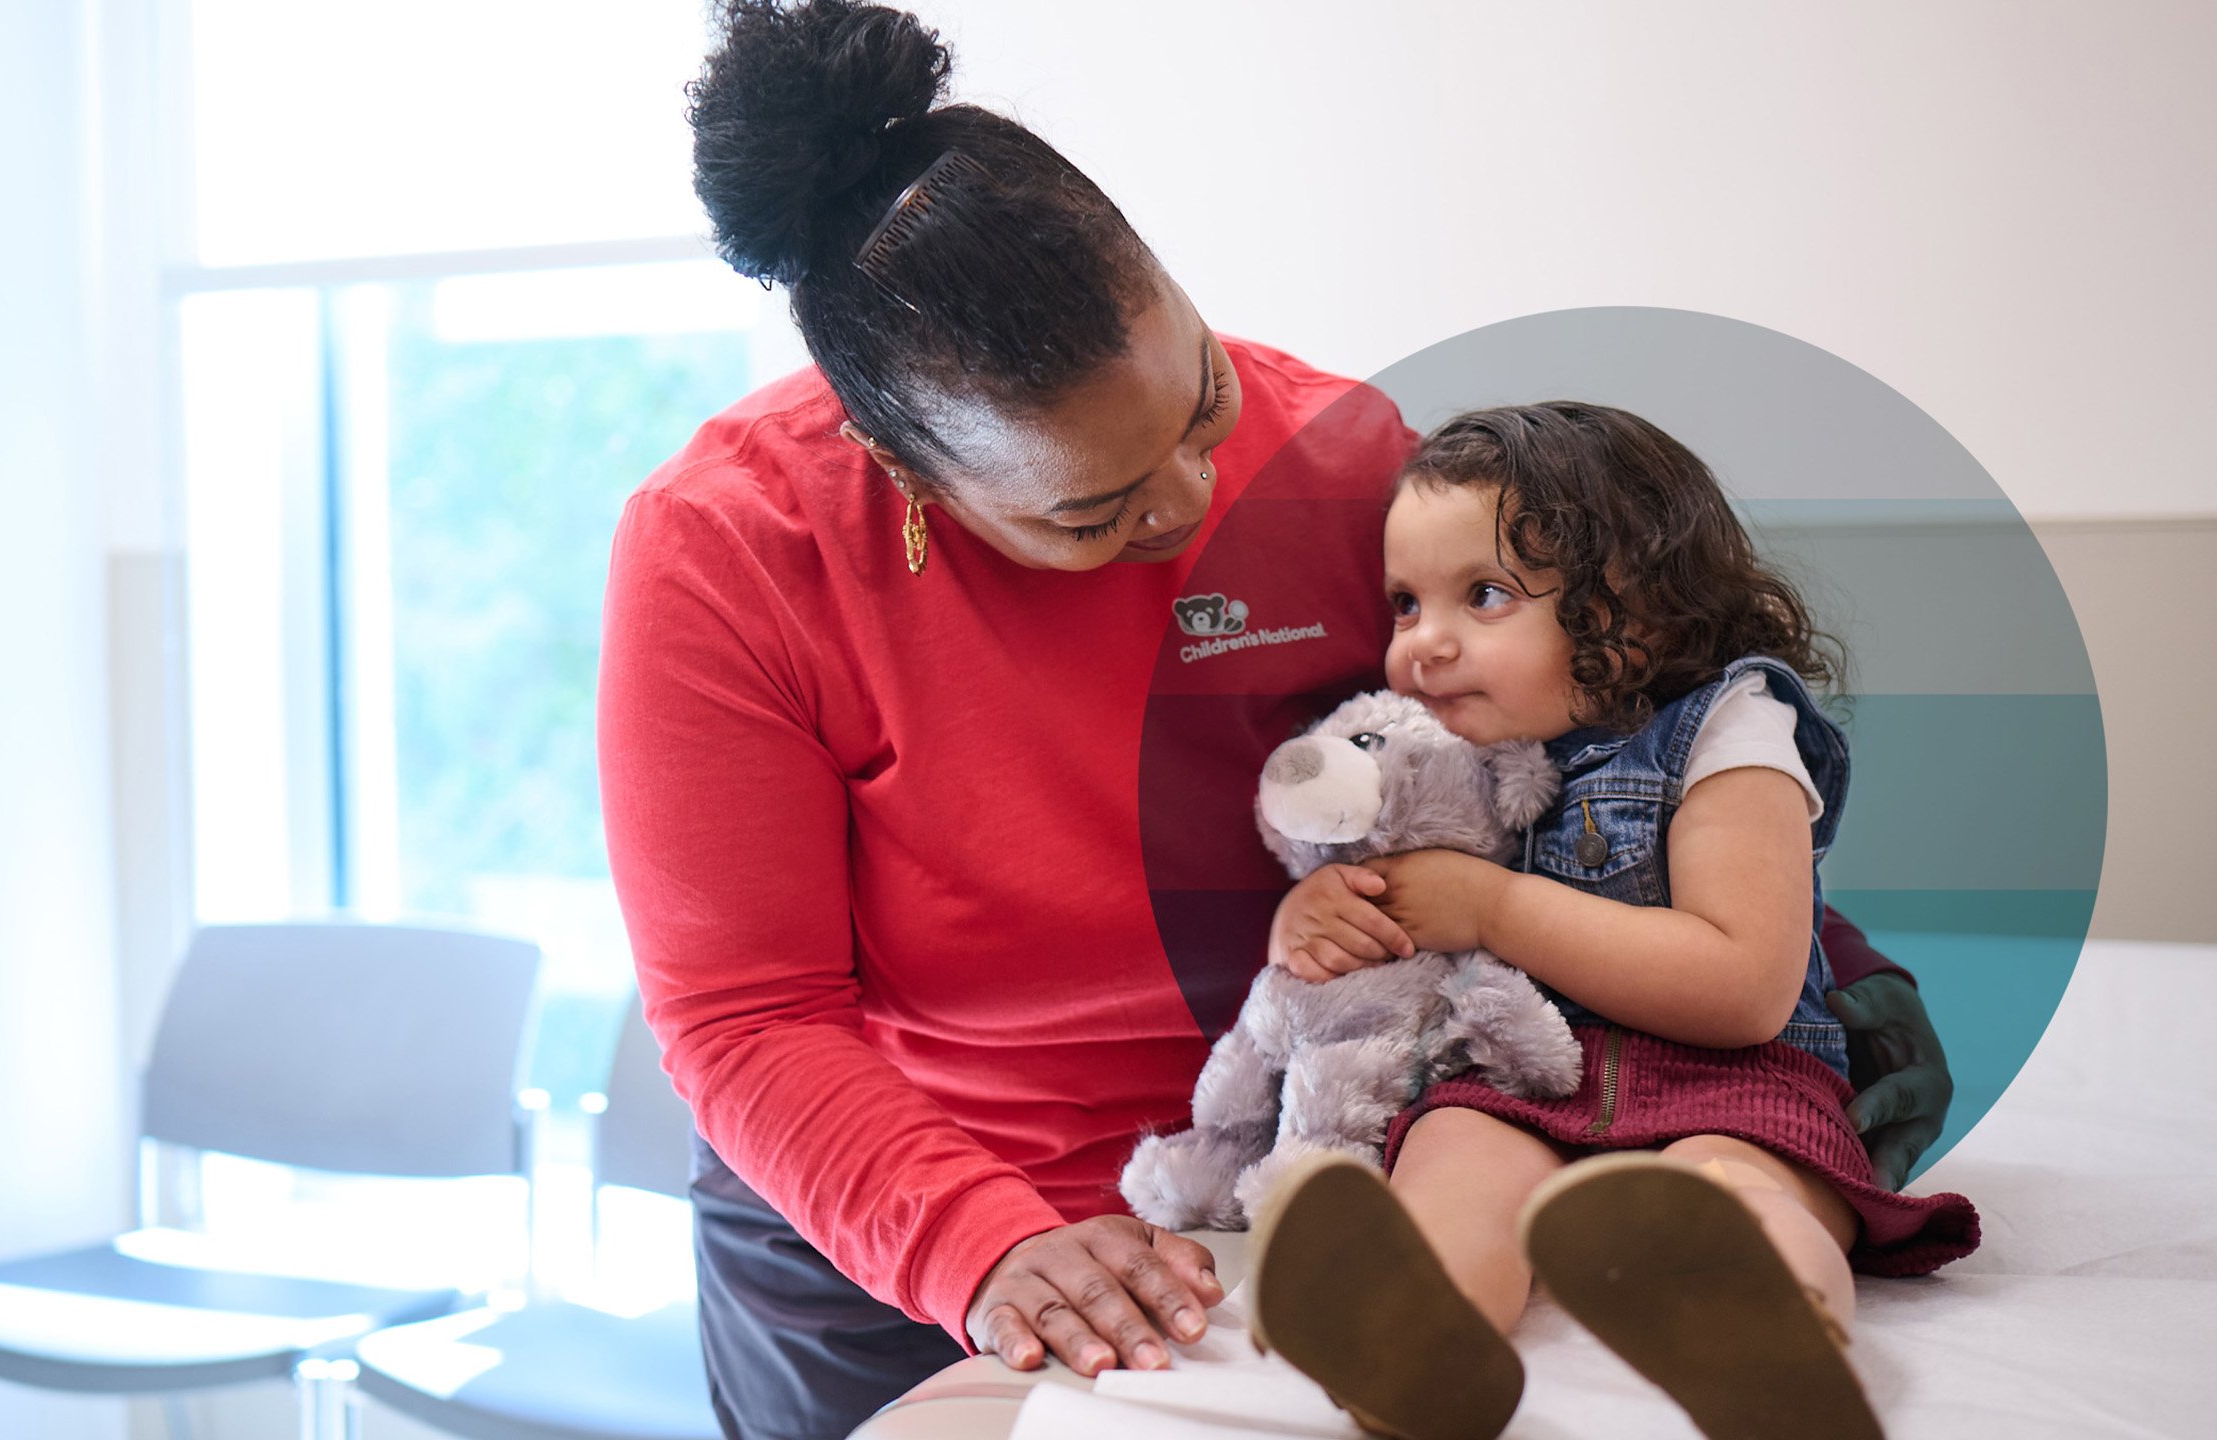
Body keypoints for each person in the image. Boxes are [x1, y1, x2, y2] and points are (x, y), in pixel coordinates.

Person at [597, 4, 1955, 1437]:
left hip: (1305, 1127)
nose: (1188, 502)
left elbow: (1575, 750)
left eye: (1201, 399)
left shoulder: (1347, 460)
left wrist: (1779, 980)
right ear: (898, 463)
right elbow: (747, 1012)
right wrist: (976, 1243)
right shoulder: (726, 554)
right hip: (904, 1194)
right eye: (1092, 513)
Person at [1245, 402, 1982, 1440]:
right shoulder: (1438, 766)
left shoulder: (1727, 732)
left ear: (1643, 616)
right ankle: (1412, 1344)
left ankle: (1771, 1340)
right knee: (1451, 1151)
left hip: (1730, 1082)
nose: (1423, 645)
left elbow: (1743, 989)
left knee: (1733, 1189)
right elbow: (1368, 935)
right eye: (1405, 604)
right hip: (1513, 1079)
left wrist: (1491, 904)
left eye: (1484, 595)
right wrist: (1314, 920)